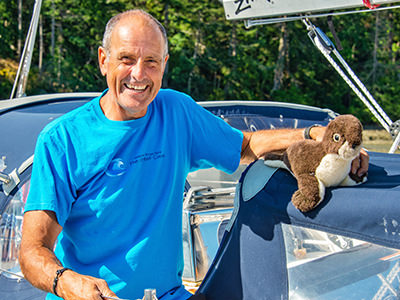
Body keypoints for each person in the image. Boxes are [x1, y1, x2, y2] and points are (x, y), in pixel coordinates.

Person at [19, 9, 369, 300]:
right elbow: (32, 251)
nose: (139, 74)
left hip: (168, 294)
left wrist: (318, 138)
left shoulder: (176, 112)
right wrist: (65, 282)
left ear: (165, 64)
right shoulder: (62, 139)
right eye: (126, 59)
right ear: (103, 60)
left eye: (151, 62)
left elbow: (245, 146)